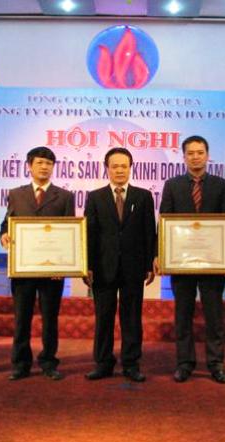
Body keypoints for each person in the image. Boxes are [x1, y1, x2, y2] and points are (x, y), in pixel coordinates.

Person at [158, 135, 225, 384]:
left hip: (213, 263)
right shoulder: (172, 185)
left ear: (207, 156)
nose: (195, 157)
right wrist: (161, 254)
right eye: (190, 153)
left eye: (200, 152)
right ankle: (184, 363)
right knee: (183, 315)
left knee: (214, 316)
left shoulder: (221, 185)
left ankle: (216, 363)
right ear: (183, 157)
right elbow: (164, 222)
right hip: (182, 263)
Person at [0, 146, 75, 381]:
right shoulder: (16, 194)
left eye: (49, 163)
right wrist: (4, 234)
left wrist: (63, 268)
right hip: (23, 268)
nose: (44, 167)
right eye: (40, 163)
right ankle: (20, 364)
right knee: (21, 318)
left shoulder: (65, 196)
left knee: (50, 319)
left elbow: (69, 232)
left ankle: (49, 362)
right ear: (29, 166)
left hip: (52, 270)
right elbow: (7, 223)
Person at [83, 148, 156, 382]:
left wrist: (150, 263)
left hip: (133, 268)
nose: (120, 170)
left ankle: (131, 364)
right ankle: (103, 363)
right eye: (115, 166)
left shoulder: (143, 196)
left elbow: (149, 232)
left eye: (124, 166)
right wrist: (87, 266)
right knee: (103, 318)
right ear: (107, 168)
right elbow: (89, 234)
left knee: (132, 318)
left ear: (131, 168)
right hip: (103, 268)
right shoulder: (95, 197)